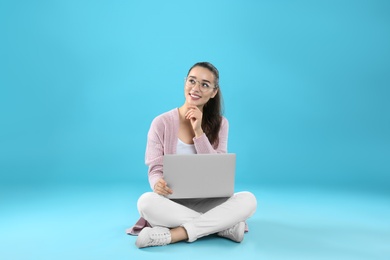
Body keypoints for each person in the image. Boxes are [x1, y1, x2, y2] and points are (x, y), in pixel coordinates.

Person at [128, 62, 257, 248]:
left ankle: (173, 235)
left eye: (205, 84)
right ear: (185, 82)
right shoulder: (161, 123)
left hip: (211, 202)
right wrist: (157, 183)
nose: (196, 88)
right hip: (172, 203)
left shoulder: (221, 124)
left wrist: (199, 132)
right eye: (192, 81)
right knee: (145, 202)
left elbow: (217, 169)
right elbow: (155, 168)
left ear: (213, 92)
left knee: (249, 199)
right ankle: (223, 227)